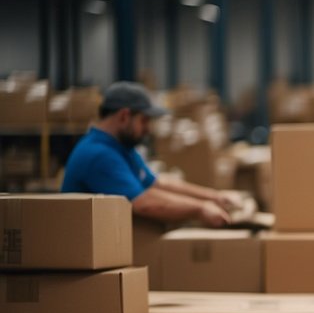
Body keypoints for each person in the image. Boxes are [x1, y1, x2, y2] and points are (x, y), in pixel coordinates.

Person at [61, 81, 241, 227]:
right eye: (144, 120)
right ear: (124, 116)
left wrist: (214, 197)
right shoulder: (99, 154)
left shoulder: (121, 148)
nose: (148, 129)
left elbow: (156, 183)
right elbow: (144, 203)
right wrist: (200, 209)